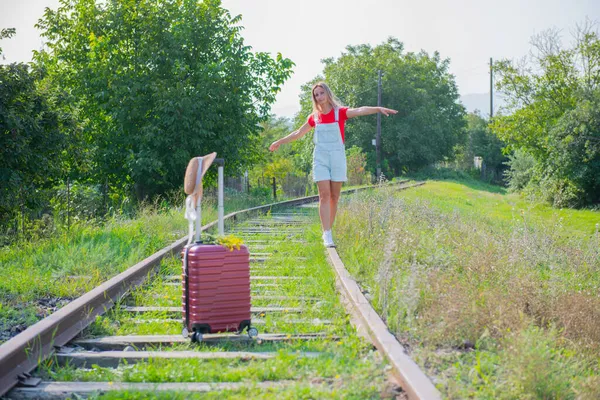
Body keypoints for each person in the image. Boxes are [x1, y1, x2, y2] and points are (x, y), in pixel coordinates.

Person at [269, 82, 397, 247]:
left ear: (327, 94)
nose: (319, 97)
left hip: (337, 157)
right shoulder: (314, 117)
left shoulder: (340, 113)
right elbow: (298, 133)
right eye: (316, 95)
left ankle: (329, 228)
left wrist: (377, 108)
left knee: (335, 197)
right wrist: (279, 141)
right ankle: (327, 234)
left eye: (321, 93)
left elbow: (359, 110)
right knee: (324, 195)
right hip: (320, 158)